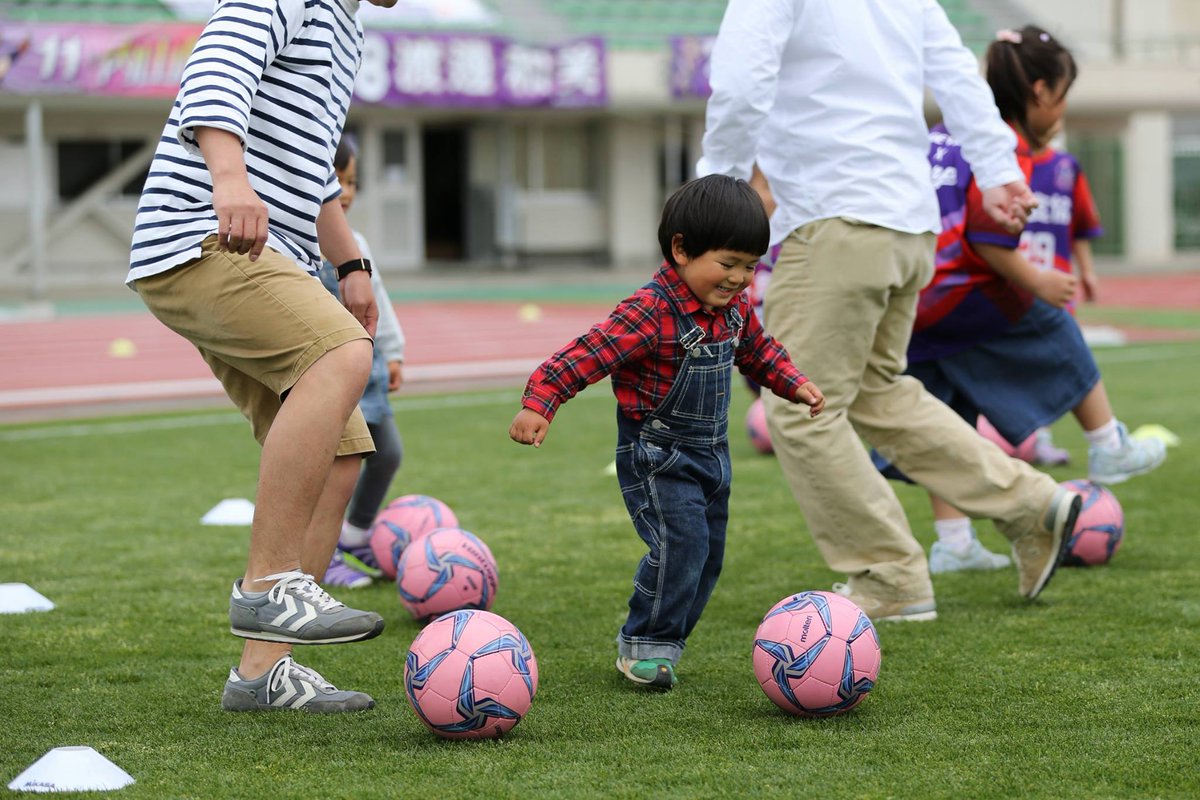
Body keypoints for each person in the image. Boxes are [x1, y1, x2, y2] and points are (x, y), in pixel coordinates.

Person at [697, 0, 1085, 622]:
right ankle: (1029, 502)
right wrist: (996, 169)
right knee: (878, 390)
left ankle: (890, 572)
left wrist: (711, 194)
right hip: (907, 224)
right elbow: (958, 75)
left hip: (835, 219)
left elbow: (742, 85)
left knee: (799, 407)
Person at [127, 0, 398, 713]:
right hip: (203, 239)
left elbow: (309, 166)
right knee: (342, 354)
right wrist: (227, 177)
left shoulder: (346, 21)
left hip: (260, 251)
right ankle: (269, 588)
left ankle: (262, 675)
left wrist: (351, 264)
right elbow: (217, 68)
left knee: (343, 450)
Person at [509, 175, 825, 688]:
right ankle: (644, 644)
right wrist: (541, 401)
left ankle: (667, 640)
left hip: (712, 454)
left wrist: (795, 384)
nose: (740, 279)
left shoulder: (736, 308)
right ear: (681, 249)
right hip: (656, 454)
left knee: (706, 555)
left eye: (750, 266)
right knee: (680, 544)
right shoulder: (650, 310)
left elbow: (758, 352)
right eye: (728, 264)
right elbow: (586, 354)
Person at [892, 26, 1166, 573]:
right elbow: (988, 238)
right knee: (1053, 325)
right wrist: (1038, 281)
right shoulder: (999, 145)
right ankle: (1108, 441)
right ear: (1040, 92)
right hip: (960, 295)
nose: (1060, 112)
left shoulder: (942, 134)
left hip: (912, 301)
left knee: (946, 422)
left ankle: (954, 542)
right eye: (1062, 98)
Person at [317, 136, 407, 589]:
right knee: (332, 470)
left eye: (351, 181)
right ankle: (323, 553)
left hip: (367, 371)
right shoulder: (298, 242)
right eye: (336, 178)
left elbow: (379, 302)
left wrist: (392, 351)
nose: (345, 191)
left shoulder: (359, 243)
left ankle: (354, 535)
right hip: (328, 376)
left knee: (387, 453)